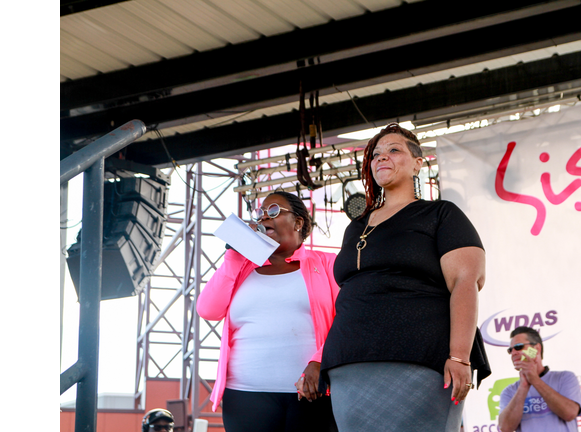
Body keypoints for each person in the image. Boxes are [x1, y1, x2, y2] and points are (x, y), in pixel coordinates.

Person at [320, 122, 491, 431]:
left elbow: (466, 283)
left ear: (418, 163)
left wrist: (460, 356)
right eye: (375, 154)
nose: (381, 158)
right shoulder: (355, 226)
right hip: (349, 360)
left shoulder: (440, 214)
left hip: (420, 356)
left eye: (394, 150)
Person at [196, 191, 339, 432]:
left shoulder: (326, 263)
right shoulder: (241, 268)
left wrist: (319, 361)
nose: (263, 218)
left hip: (311, 395)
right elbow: (207, 309)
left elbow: (347, 318)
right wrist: (233, 256)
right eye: (260, 213)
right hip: (244, 396)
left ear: (298, 222)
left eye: (273, 211)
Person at [498, 326, 581, 432]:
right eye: (510, 350)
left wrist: (534, 380)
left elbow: (570, 413)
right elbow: (505, 428)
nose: (513, 353)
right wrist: (523, 386)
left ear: (536, 349)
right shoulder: (509, 391)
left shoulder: (564, 378)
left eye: (518, 347)